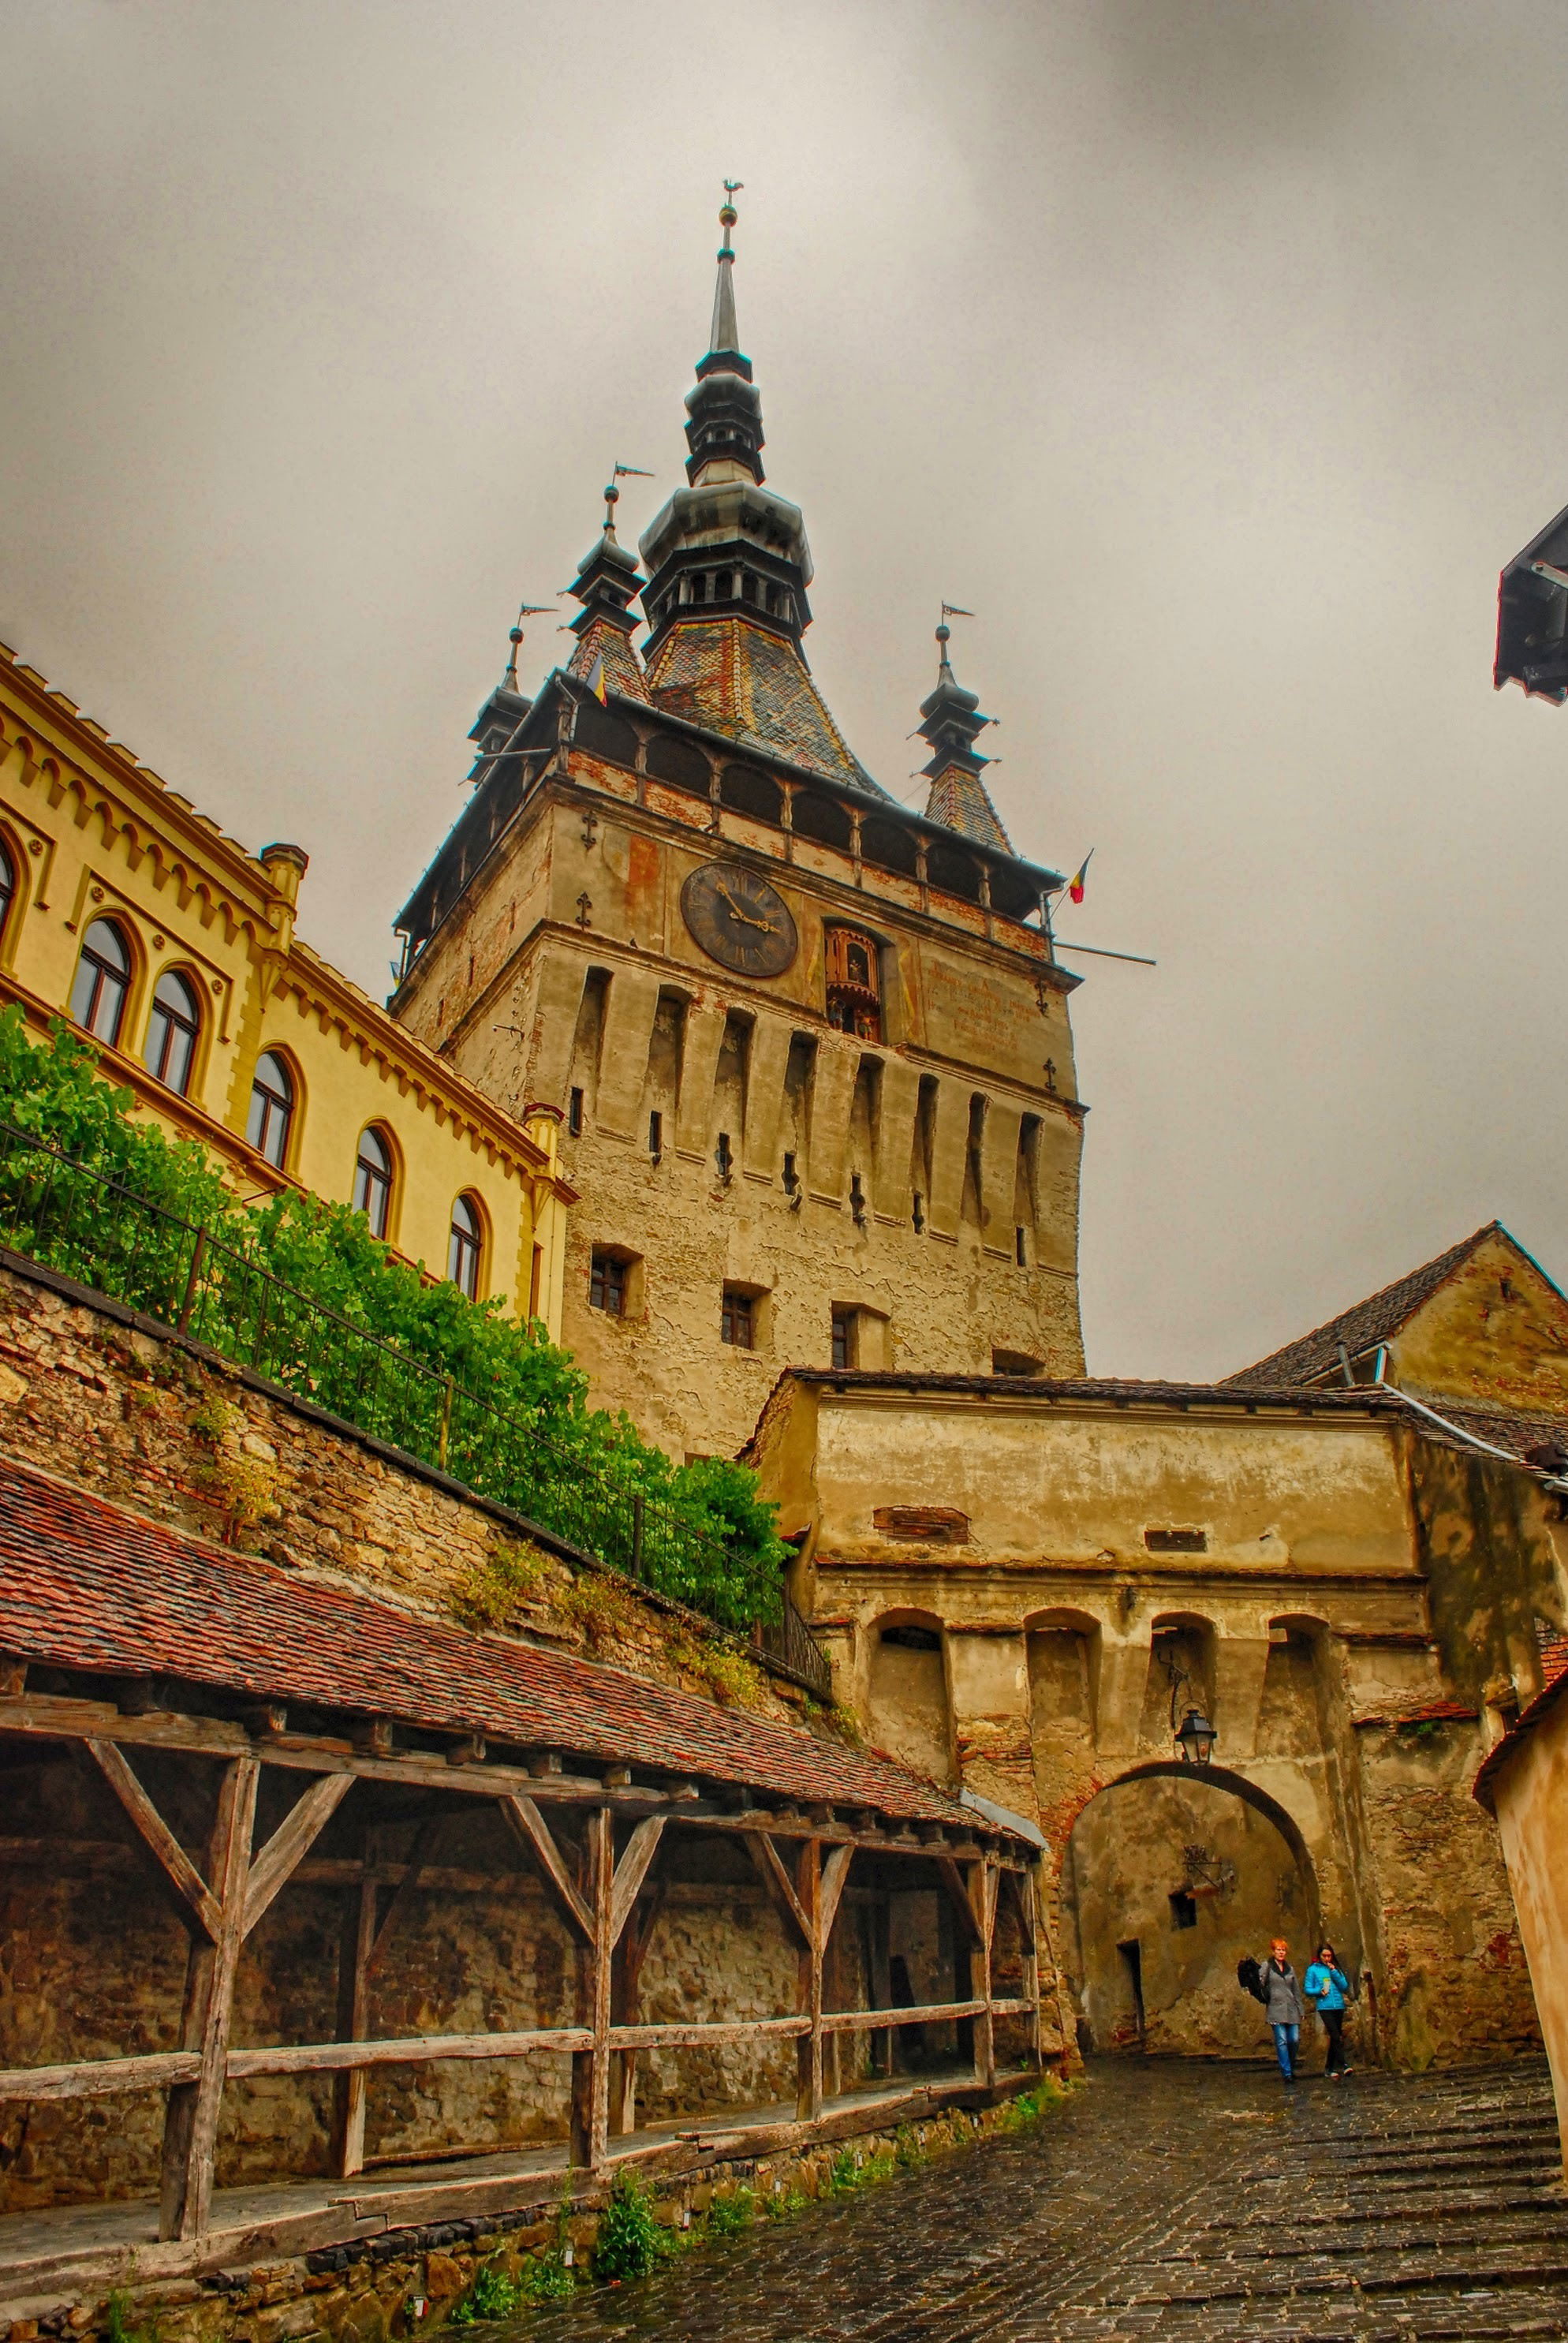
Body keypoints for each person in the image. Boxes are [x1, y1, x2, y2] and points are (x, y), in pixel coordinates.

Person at [1303, 1941, 1353, 2079]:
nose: (1327, 1959)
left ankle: (1329, 2068)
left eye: (1329, 1956)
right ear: (1319, 1956)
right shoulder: (1313, 1970)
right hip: (1325, 2007)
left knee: (1335, 2037)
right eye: (1324, 1956)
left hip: (1338, 2005)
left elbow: (1344, 1986)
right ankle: (1344, 2065)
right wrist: (1319, 1992)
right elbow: (1307, 1989)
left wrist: (1334, 1972)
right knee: (1335, 2035)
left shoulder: (1335, 1968)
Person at [1258, 1937, 1305, 2081]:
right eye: (1278, 1950)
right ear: (1273, 1951)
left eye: (1283, 1950)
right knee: (1282, 2040)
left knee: (1294, 2040)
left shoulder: (1290, 1968)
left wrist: (1301, 2009)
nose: (1281, 1952)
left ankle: (1290, 2066)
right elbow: (1260, 1983)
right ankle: (1287, 2073)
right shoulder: (1267, 1965)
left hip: (1291, 2008)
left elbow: (1296, 1989)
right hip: (1275, 2008)